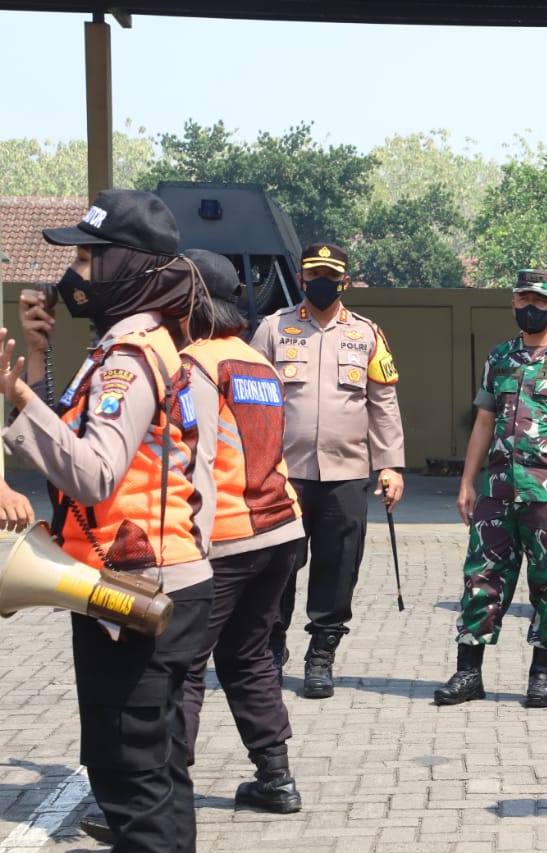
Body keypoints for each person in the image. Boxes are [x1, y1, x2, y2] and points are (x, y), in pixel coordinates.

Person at [0, 188, 213, 853]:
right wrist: (37, 365)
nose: (76, 274)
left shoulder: (127, 358)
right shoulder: (139, 344)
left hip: (132, 590)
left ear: (126, 266)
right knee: (162, 775)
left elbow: (92, 470)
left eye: (89, 258)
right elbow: (69, 449)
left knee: (132, 786)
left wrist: (14, 392)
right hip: (162, 580)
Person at [177, 250, 306, 813]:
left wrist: (188, 548)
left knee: (179, 664)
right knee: (249, 654)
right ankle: (275, 780)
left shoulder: (194, 365)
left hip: (226, 535)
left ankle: (161, 797)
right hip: (281, 530)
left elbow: (195, 461)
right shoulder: (258, 363)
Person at [435, 269, 547, 709]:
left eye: (541, 302)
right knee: (481, 579)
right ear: (513, 303)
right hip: (498, 491)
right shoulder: (500, 357)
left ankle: (542, 675)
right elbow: (483, 422)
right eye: (524, 299)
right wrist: (468, 482)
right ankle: (469, 673)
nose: (531, 308)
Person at [251, 242, 405, 700]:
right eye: (313, 274)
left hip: (346, 473)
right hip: (284, 474)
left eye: (330, 275)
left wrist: (391, 465)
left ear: (345, 281)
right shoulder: (273, 329)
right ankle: (271, 651)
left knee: (338, 569)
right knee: (276, 566)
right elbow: (250, 398)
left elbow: (383, 403)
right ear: (301, 279)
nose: (321, 282)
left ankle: (322, 654)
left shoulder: (367, 334)